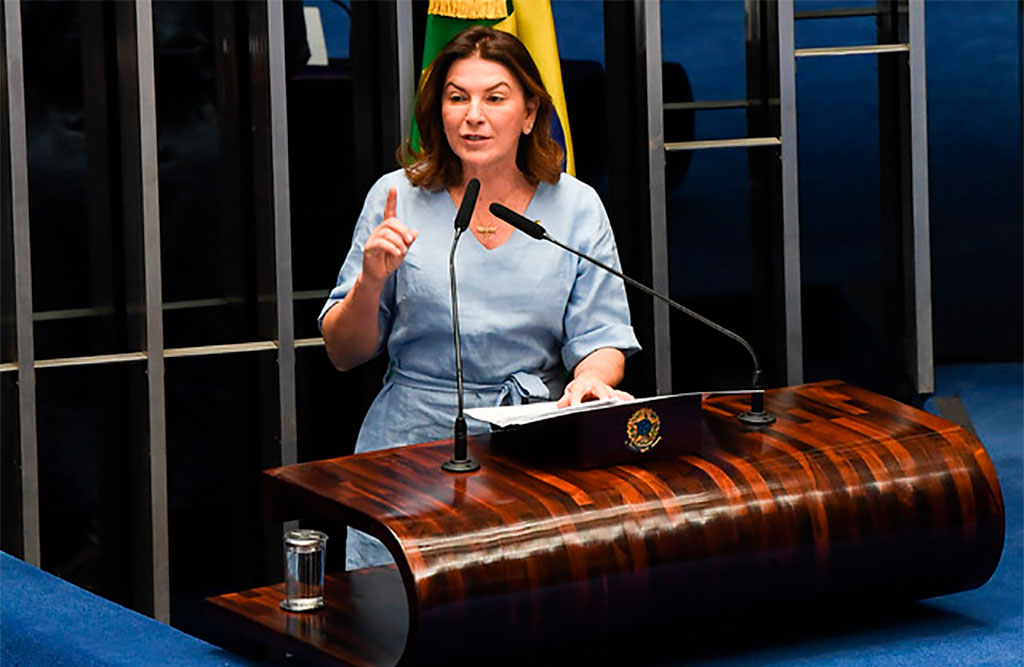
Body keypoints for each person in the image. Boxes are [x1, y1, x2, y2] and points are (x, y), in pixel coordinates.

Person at [319, 27, 640, 567]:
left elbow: (603, 339)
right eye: (456, 97)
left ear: (530, 112)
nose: (473, 115)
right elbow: (344, 352)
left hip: (534, 447)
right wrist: (372, 277)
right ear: (438, 111)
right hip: (410, 449)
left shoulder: (576, 206)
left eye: (494, 97)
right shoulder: (396, 197)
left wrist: (589, 380)